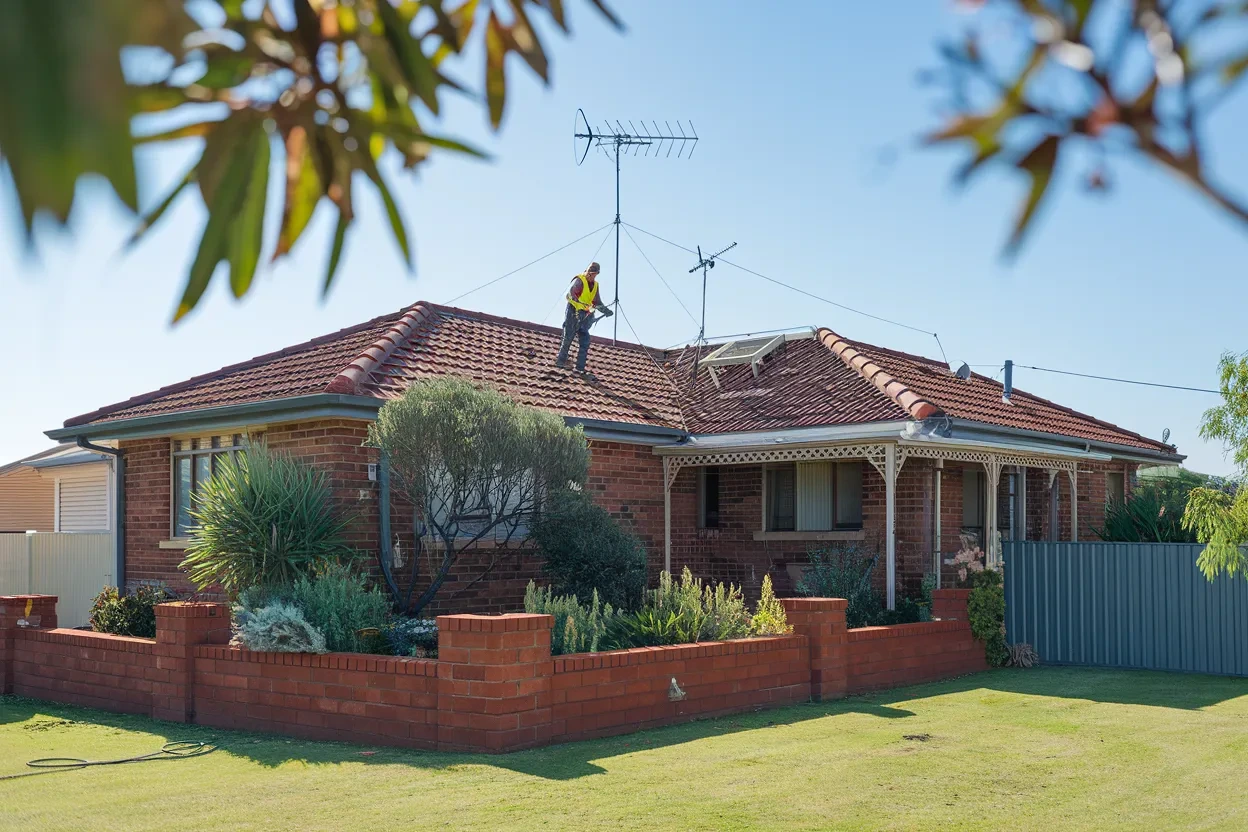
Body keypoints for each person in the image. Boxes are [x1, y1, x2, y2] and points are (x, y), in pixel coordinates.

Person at [555, 261, 612, 373]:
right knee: (568, 337)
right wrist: (579, 305)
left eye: (595, 274)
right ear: (587, 272)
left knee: (585, 340)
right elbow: (571, 294)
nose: (592, 276)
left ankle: (579, 368)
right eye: (591, 274)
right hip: (573, 312)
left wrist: (605, 310)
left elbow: (596, 301)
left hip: (585, 316)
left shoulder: (595, 285)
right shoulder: (580, 280)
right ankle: (560, 361)